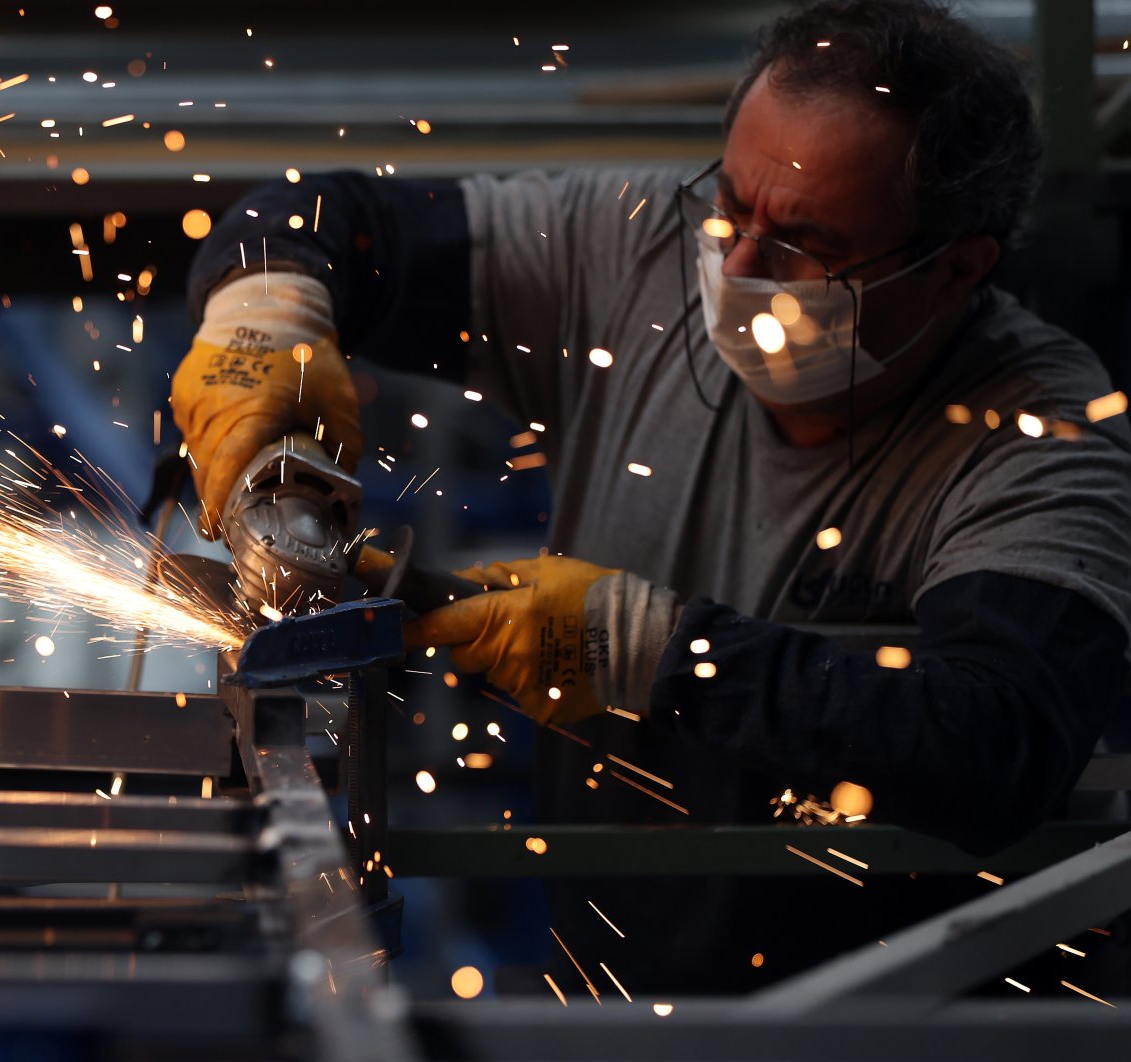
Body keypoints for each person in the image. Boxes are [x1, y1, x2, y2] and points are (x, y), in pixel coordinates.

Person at [171, 0, 1131, 993]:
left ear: (957, 268)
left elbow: (996, 747)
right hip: (617, 985)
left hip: (914, 1019)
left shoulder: (1042, 432)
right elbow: (322, 217)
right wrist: (264, 313)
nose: (740, 269)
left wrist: (654, 654)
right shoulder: (635, 255)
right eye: (734, 207)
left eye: (808, 243)